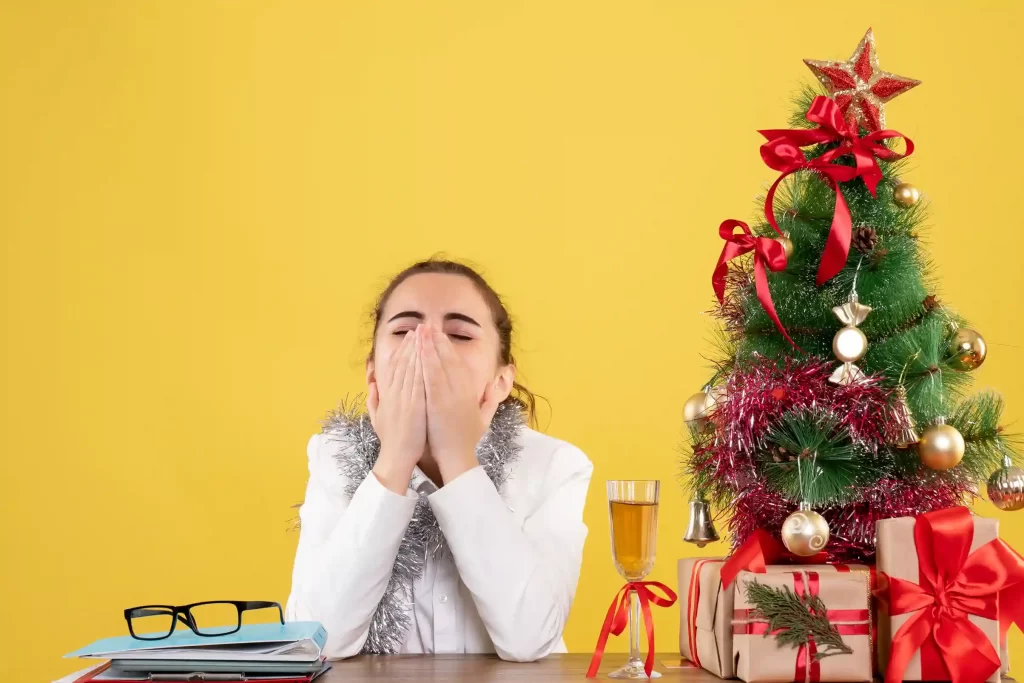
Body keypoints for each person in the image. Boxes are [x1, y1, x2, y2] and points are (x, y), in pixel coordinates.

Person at [285, 258, 594, 661]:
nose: (427, 348)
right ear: (372, 373)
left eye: (460, 334)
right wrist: (395, 457)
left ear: (501, 381)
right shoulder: (333, 456)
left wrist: (456, 456)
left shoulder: (555, 465)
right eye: (404, 331)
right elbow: (318, 639)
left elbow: (529, 640)